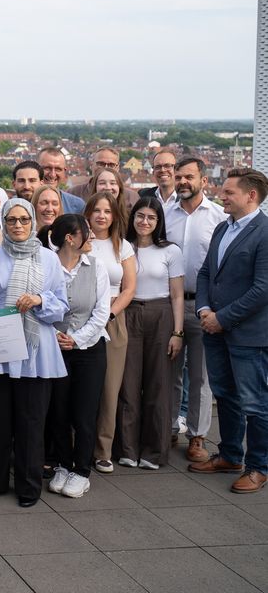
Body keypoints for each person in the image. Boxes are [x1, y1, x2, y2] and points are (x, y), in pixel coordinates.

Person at [0, 198, 68, 508]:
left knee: (32, 421)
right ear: (3, 222)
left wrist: (39, 300)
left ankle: (28, 484)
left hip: (36, 351)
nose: (18, 225)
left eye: (24, 219)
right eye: (11, 220)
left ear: (33, 221)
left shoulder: (49, 260)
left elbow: (61, 307)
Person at [191, 167, 268, 493]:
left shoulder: (264, 233)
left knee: (255, 403)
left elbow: (263, 288)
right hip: (215, 329)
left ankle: (258, 467)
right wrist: (204, 309)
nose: (221, 196)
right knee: (226, 396)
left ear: (251, 196)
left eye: (228, 192)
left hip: (249, 335)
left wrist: (223, 318)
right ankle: (231, 455)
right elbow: (208, 273)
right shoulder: (224, 228)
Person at [40, 214, 110, 499]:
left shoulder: (97, 266)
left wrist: (77, 339)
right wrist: (54, 336)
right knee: (58, 411)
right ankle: (62, 464)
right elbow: (38, 302)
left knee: (83, 414)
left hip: (89, 350)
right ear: (71, 238)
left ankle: (81, 470)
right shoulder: (46, 265)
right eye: (87, 233)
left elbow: (102, 311)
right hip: (53, 348)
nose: (91, 237)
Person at [117, 196, 184, 469]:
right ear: (132, 219)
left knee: (158, 384)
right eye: (140, 216)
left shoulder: (170, 251)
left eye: (151, 218)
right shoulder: (122, 247)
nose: (145, 221)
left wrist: (177, 333)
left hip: (161, 316)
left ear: (158, 222)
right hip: (128, 313)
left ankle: (154, 452)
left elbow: (178, 295)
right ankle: (127, 449)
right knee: (128, 384)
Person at [164, 157, 223, 463]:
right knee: (169, 370)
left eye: (189, 176)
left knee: (200, 376)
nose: (183, 181)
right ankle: (170, 426)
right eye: (179, 176)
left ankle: (197, 437)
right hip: (168, 303)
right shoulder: (164, 214)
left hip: (203, 305)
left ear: (203, 180)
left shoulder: (218, 216)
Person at [85, 191, 138, 474]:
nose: (102, 216)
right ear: (88, 213)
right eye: (97, 210)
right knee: (80, 386)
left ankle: (102, 450)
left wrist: (111, 313)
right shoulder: (80, 242)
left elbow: (129, 287)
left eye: (107, 211)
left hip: (112, 318)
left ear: (115, 215)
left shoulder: (123, 246)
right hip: (81, 318)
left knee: (109, 387)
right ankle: (75, 446)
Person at [73, 146, 139, 204]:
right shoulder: (74, 193)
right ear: (92, 165)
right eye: (101, 164)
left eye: (111, 165)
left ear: (118, 168)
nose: (106, 168)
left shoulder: (132, 198)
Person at [36, 147, 86, 214]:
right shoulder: (24, 202)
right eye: (47, 168)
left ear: (64, 171)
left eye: (58, 169)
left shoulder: (77, 206)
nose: (52, 175)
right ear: (36, 169)